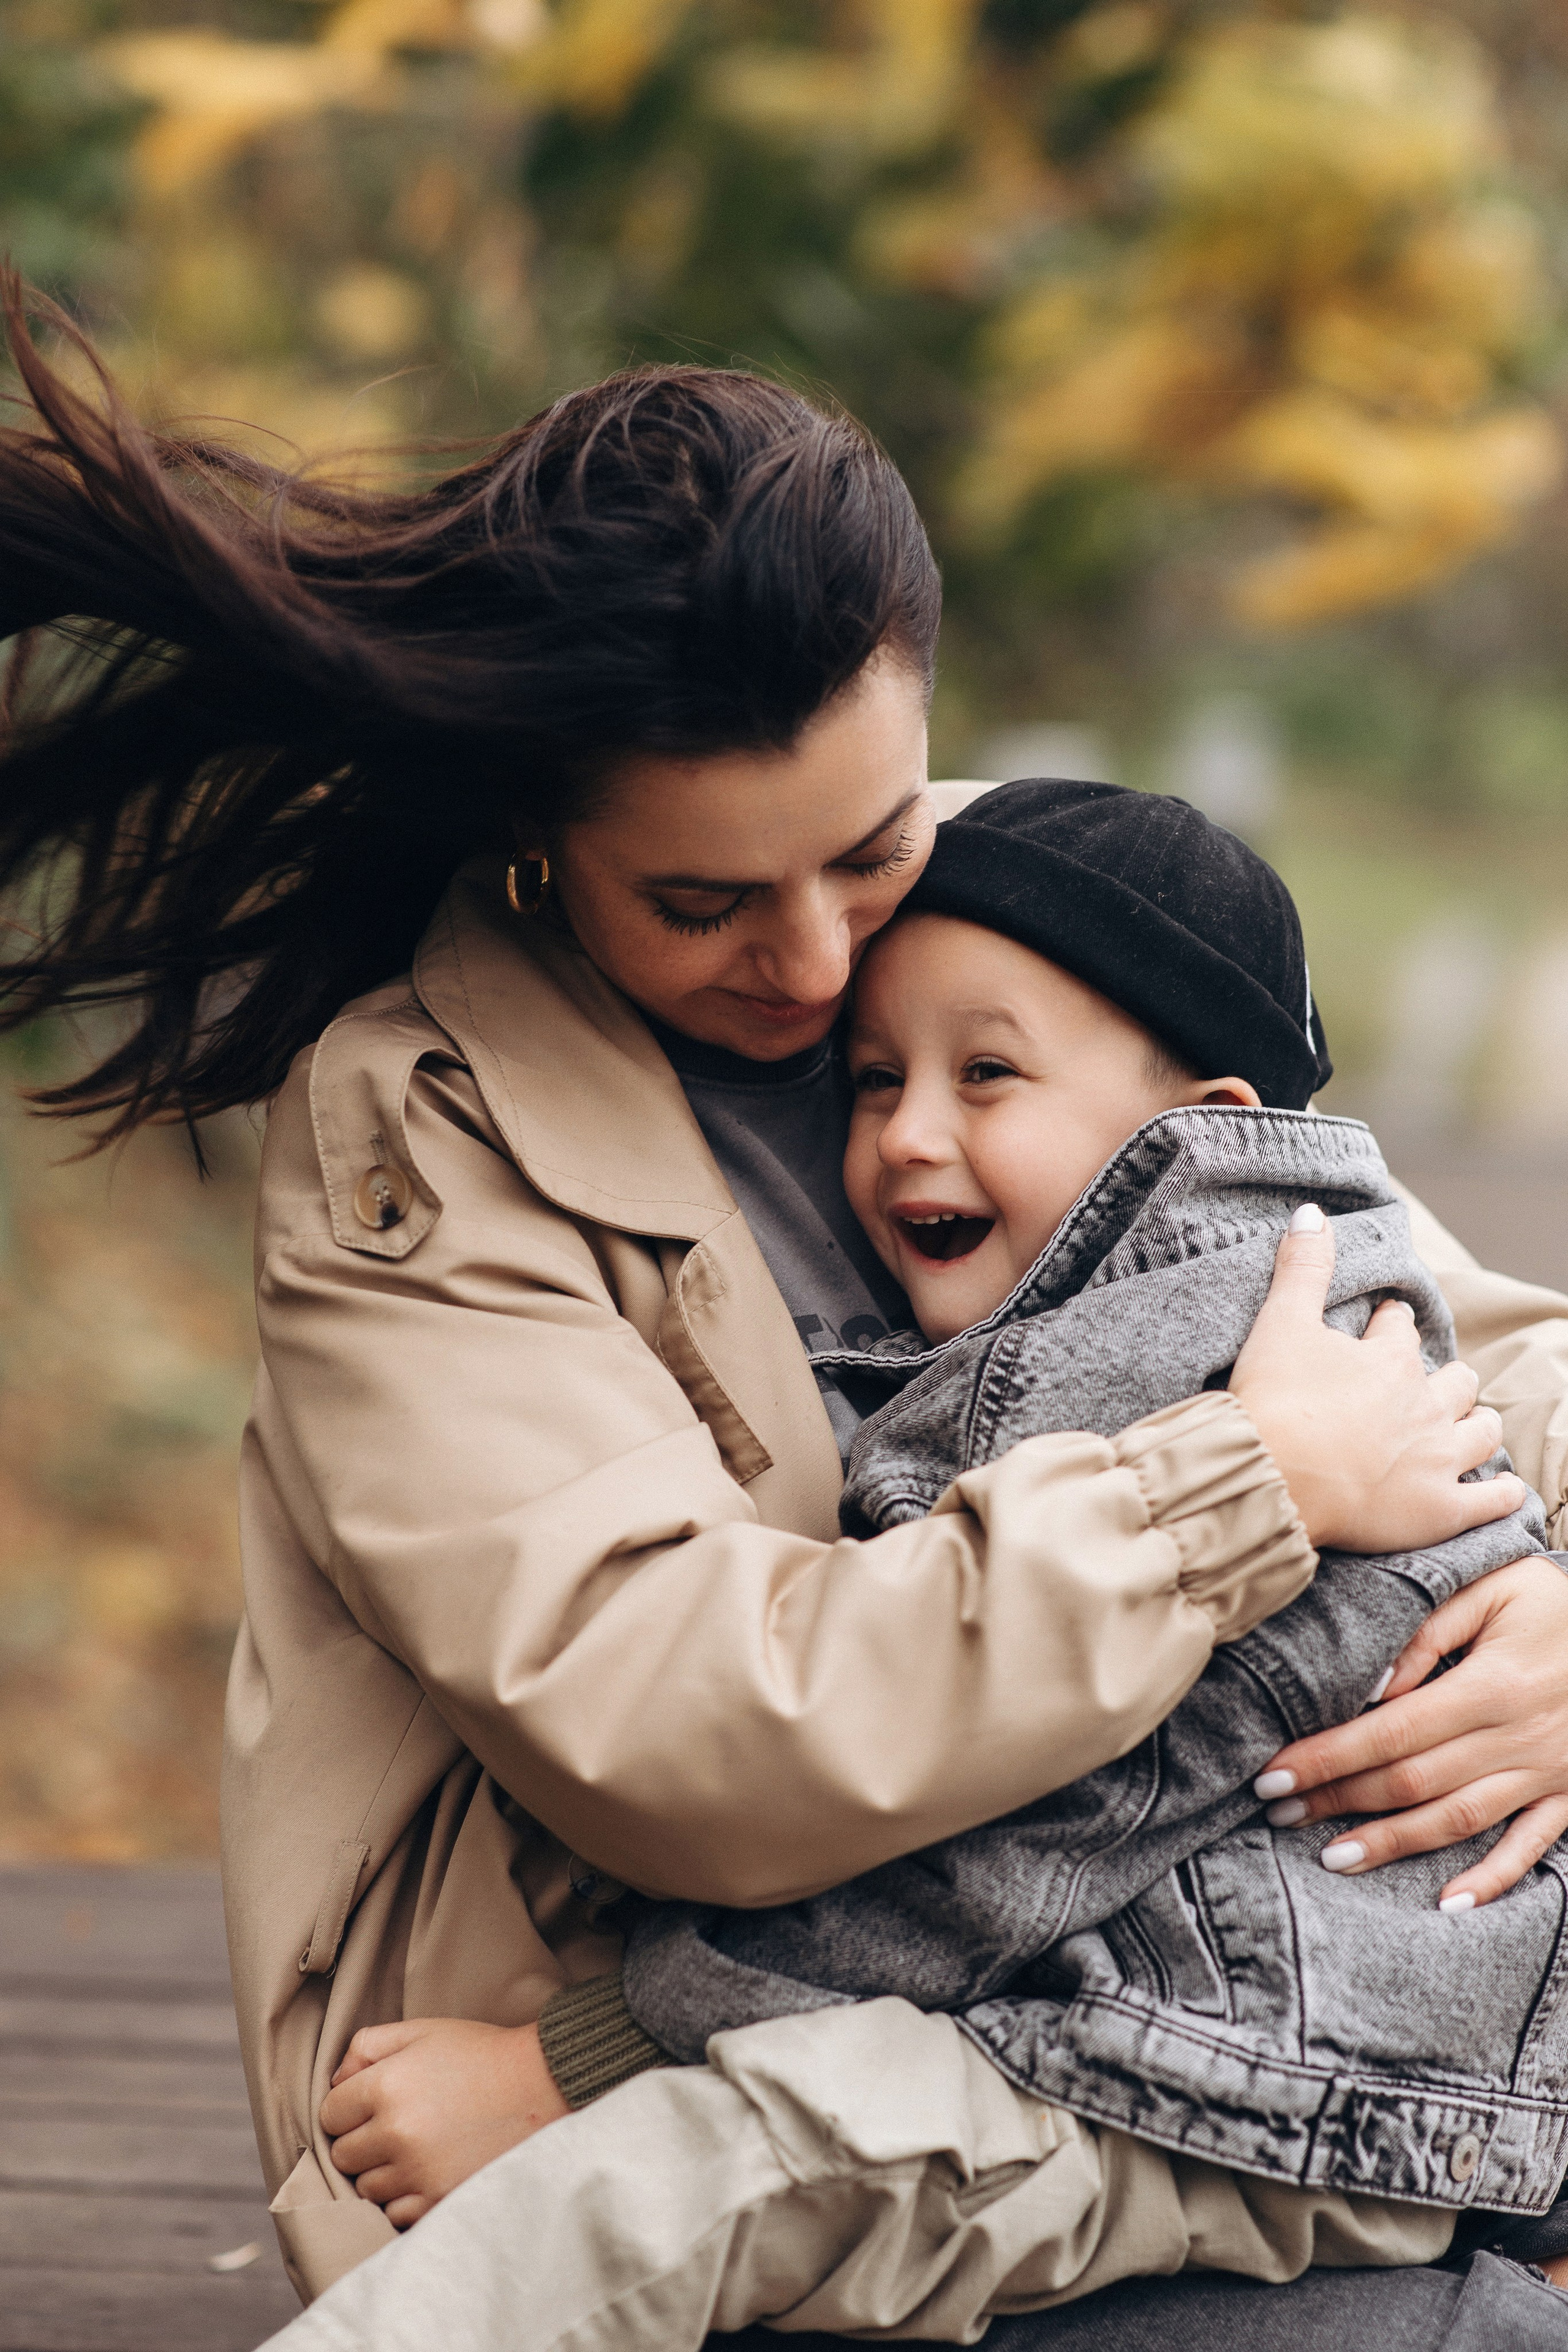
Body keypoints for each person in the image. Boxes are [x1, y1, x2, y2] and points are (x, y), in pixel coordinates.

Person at [2, 280, 1568, 2350]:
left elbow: (1428, 1320)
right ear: (545, 845)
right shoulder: (424, 1135)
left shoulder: (1013, 917)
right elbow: (685, 1734)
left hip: (1139, 2002)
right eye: (704, 902)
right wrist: (1230, 1499)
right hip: (631, 2111)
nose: (820, 962)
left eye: (870, 846)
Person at [288, 785, 1568, 2350]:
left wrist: (588, 2055)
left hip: (1226, 2060)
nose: (901, 1131)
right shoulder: (1194, 1272)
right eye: (875, 1079)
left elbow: (1037, 1826)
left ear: (1207, 1125)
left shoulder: (1230, 1318)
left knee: (686, 2178)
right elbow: (685, 1712)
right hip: (1224, 2040)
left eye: (983, 1076)